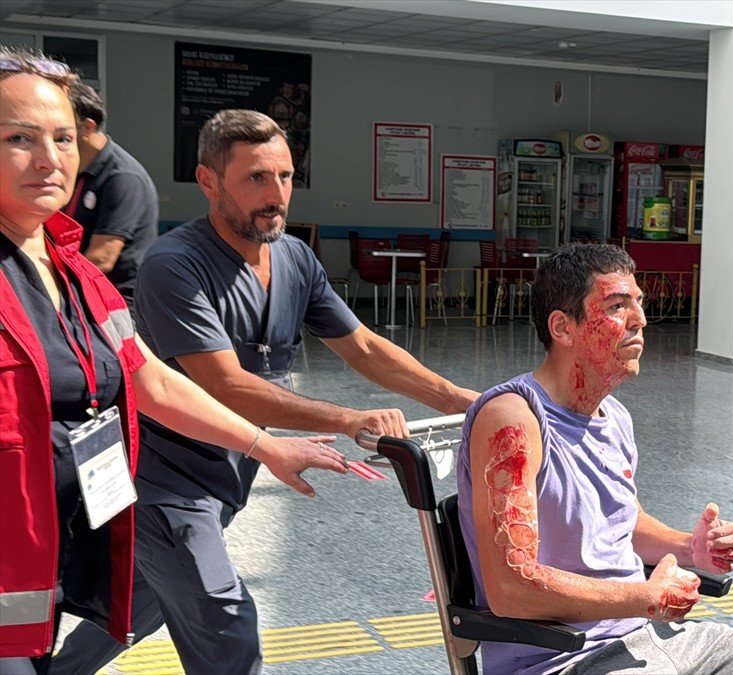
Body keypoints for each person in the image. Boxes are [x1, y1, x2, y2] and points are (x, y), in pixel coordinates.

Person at [53, 108, 479, 674]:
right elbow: (226, 385)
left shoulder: (295, 258)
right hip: (162, 485)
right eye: (256, 177)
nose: (275, 193)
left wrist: (459, 400)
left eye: (283, 176)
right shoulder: (174, 265)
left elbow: (365, 348)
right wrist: (348, 418)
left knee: (138, 610)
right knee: (227, 628)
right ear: (209, 182)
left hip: (228, 476)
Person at [0, 47, 349, 675]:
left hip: (40, 550)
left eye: (60, 137)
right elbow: (215, 378)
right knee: (213, 615)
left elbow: (147, 377)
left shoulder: (75, 272)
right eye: (19, 138)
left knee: (136, 609)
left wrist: (266, 448)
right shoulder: (173, 261)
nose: (50, 159)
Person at [458, 243, 733, 675]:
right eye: (618, 306)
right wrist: (646, 597)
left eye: (639, 303)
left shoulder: (613, 415)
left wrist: (692, 548)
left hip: (654, 638)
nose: (640, 319)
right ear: (562, 327)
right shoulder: (513, 419)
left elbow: (621, 524)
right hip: (566, 658)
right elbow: (511, 588)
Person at [63, 80, 158, 323]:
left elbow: (102, 258)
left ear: (87, 126)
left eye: (62, 126)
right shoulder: (74, 169)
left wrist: (45, 286)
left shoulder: (123, 176)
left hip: (117, 308)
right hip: (79, 299)